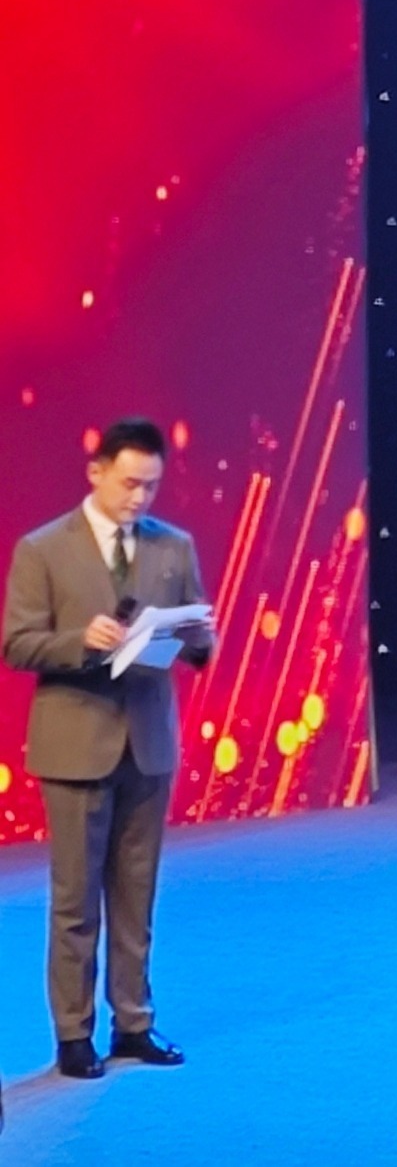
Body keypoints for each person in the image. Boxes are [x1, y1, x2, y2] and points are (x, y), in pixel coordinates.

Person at [3, 418, 215, 1079]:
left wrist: (193, 637)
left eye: (150, 486)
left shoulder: (174, 545)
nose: (139, 497)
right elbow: (16, 643)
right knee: (75, 898)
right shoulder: (43, 548)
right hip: (75, 745)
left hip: (148, 743)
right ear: (96, 472)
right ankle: (73, 1033)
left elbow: (198, 642)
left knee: (136, 892)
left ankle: (134, 1022)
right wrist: (81, 641)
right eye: (129, 483)